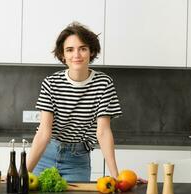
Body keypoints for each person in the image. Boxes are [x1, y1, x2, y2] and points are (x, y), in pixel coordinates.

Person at [26, 22, 122, 182]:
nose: (76, 55)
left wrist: (117, 177)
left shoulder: (104, 84)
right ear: (62, 55)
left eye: (83, 48)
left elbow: (103, 132)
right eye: (70, 50)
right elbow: (43, 133)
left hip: (77, 160)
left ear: (91, 52)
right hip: (45, 154)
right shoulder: (51, 83)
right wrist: (23, 173)